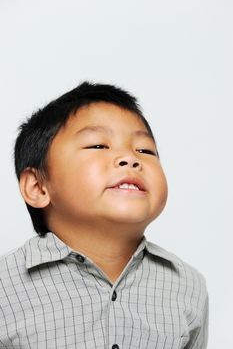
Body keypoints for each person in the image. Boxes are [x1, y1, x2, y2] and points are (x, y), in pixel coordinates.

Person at [0, 82, 208, 349]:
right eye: (98, 145)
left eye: (144, 150)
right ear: (38, 186)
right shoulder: (5, 286)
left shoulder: (188, 286)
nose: (130, 159)